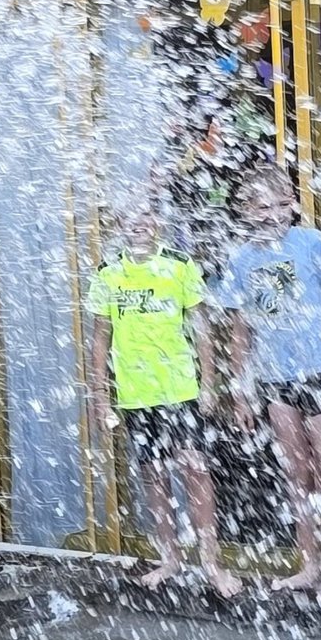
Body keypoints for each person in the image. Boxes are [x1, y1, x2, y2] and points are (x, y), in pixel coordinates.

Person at [217, 169, 321, 608]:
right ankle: (311, 562)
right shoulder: (241, 259)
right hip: (275, 378)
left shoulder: (312, 243)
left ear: (293, 204)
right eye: (260, 207)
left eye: (279, 205)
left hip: (320, 371)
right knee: (296, 474)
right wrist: (241, 389)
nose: (271, 215)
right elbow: (240, 329)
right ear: (245, 212)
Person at [87, 200, 243, 596]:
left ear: (157, 222)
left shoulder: (178, 265)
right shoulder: (108, 274)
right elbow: (100, 340)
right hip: (137, 395)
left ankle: (211, 561)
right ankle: (170, 558)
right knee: (154, 476)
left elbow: (202, 330)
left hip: (181, 389)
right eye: (130, 217)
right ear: (119, 222)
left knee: (196, 470)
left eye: (146, 217)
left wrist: (209, 382)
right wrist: (101, 398)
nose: (139, 224)